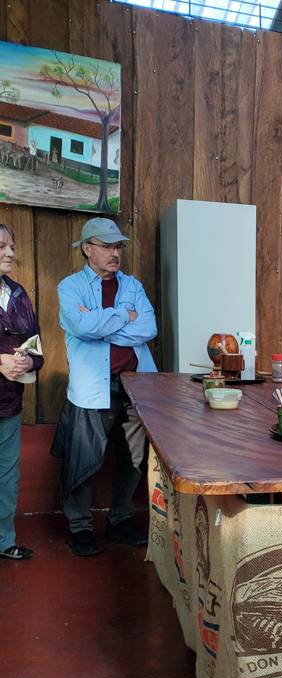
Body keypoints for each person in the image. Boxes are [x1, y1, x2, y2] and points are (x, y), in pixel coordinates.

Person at [52, 217, 157, 557]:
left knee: (134, 458)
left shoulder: (133, 286)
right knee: (83, 459)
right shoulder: (70, 288)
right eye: (107, 246)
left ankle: (120, 520)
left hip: (134, 386)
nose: (115, 253)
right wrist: (124, 317)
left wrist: (102, 322)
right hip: (91, 388)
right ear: (87, 249)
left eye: (118, 247)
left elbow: (149, 328)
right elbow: (81, 326)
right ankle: (80, 527)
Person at [0, 223, 43, 560]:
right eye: (2, 246)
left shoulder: (18, 294)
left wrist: (30, 364)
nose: (11, 253)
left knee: (7, 476)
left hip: (9, 404)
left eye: (11, 246)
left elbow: (37, 348)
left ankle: (4, 540)